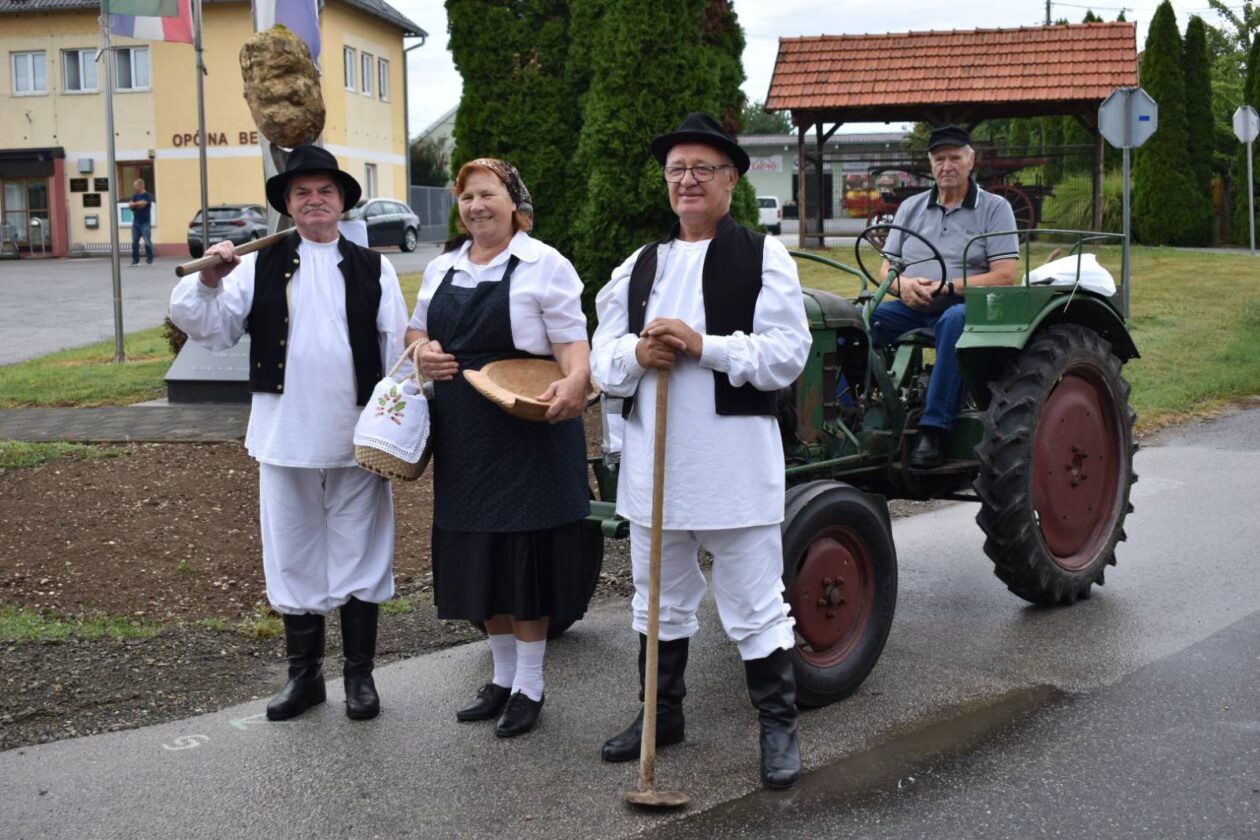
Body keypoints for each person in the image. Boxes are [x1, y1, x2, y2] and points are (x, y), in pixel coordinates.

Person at [590, 113, 811, 790]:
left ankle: (779, 728)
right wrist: (637, 351)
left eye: (702, 169)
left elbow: (787, 355)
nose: (687, 181)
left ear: (731, 179)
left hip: (732, 468)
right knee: (659, 600)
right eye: (677, 170)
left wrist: (701, 345)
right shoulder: (640, 266)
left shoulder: (763, 255)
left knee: (753, 602)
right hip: (656, 470)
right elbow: (602, 360)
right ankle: (661, 716)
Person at [169, 145, 408, 722]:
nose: (314, 200)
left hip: (357, 439)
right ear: (289, 206)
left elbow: (399, 354)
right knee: (292, 552)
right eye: (302, 193)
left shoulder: (375, 266)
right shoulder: (255, 265)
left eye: (324, 190)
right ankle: (304, 678)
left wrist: (399, 425)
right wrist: (208, 278)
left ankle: (359, 679)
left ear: (343, 201)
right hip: (284, 435)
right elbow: (209, 328)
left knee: (361, 550)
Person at [406, 158, 591, 738]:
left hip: (528, 423)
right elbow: (415, 332)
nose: (475, 206)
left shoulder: (544, 264)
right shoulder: (441, 267)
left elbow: (572, 343)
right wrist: (422, 353)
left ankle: (531, 686)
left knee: (524, 560)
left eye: (487, 195)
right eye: (466, 198)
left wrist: (576, 382)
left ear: (514, 204)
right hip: (465, 431)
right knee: (480, 555)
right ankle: (502, 677)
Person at [870, 124, 1020, 469]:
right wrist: (903, 287)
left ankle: (934, 430)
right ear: (931, 164)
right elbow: (885, 270)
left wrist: (949, 288)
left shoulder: (994, 208)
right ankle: (846, 414)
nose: (947, 165)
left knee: (953, 320)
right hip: (913, 304)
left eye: (955, 157)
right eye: (940, 159)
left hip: (966, 306)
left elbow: (1005, 275)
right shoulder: (911, 207)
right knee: (857, 321)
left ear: (971, 161)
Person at [129, 178, 155, 266]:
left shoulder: (147, 196)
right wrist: (137, 203)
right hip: (136, 222)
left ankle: (150, 258)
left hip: (145, 222)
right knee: (134, 242)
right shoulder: (134, 195)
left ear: (141, 186)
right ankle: (135, 261)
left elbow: (143, 204)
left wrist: (135, 204)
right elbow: (130, 205)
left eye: (136, 186)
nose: (134, 187)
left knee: (147, 241)